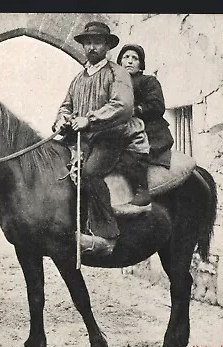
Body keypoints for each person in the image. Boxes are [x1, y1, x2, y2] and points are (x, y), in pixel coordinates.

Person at [53, 21, 150, 249]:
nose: (91, 47)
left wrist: (90, 119)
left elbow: (122, 106)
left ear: (107, 46)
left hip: (111, 138)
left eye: (97, 42)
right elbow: (66, 105)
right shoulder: (78, 79)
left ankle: (107, 234)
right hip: (82, 141)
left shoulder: (118, 74)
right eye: (87, 43)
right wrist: (63, 120)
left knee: (89, 174)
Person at [116, 44, 174, 171]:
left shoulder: (148, 81)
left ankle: (141, 189)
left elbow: (157, 105)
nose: (130, 61)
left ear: (140, 64)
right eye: (126, 57)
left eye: (135, 58)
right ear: (120, 62)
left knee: (133, 159)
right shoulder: (114, 84)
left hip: (150, 132)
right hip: (122, 131)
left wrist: (134, 110)